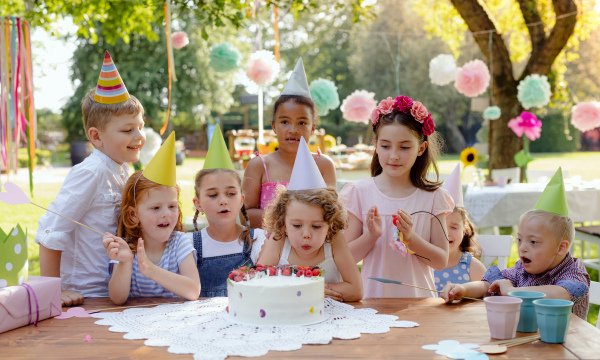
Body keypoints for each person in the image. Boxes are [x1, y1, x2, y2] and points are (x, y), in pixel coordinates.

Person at [35, 51, 146, 306]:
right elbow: (51, 231)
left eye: (140, 126)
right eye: (128, 129)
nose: (139, 136)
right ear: (96, 137)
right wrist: (54, 291)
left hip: (111, 289)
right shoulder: (90, 172)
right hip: (83, 294)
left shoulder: (121, 170)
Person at [339, 95, 454, 298]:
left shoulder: (433, 197)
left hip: (420, 304)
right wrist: (370, 236)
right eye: (385, 146)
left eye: (404, 147)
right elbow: (344, 259)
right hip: (370, 303)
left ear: (421, 148)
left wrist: (410, 238)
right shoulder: (359, 193)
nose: (393, 155)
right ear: (375, 144)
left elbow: (440, 260)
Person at [442, 168, 591, 319]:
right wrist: (462, 289)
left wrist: (512, 291)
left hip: (569, 340)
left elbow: (563, 294)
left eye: (533, 242)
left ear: (561, 248)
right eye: (519, 240)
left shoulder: (573, 271)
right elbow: (487, 286)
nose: (522, 248)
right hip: (530, 340)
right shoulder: (521, 272)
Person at [258, 137, 363, 302]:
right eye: (297, 225)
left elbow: (356, 290)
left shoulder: (334, 241)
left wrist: (317, 290)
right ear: (283, 223)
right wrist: (309, 289)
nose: (306, 234)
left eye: (316, 226)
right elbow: (259, 283)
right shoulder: (279, 240)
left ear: (330, 225)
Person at [103, 133, 200, 305]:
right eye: (155, 208)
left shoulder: (179, 243)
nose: (166, 214)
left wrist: (151, 270)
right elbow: (117, 298)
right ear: (134, 214)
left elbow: (193, 291)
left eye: (172, 206)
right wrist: (125, 262)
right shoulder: (127, 247)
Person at [243, 58, 336, 228]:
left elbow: (332, 214)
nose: (293, 130)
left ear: (313, 128)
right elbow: (244, 214)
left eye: (302, 123)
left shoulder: (323, 165)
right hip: (267, 250)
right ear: (274, 126)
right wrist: (291, 217)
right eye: (285, 122)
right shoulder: (259, 165)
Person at [191, 127, 266, 297]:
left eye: (231, 194)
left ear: (241, 200)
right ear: (198, 204)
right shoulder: (189, 246)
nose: (223, 200)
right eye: (213, 195)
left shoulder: (257, 241)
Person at [434, 164, 486, 292]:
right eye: (441, 226)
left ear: (464, 230)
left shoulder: (471, 266)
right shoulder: (424, 264)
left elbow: (487, 288)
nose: (447, 233)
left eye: (454, 227)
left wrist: (464, 289)